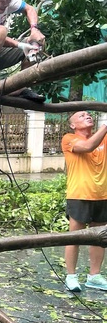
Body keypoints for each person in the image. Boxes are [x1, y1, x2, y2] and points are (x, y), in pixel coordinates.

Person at [61, 111, 107, 292]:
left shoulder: (103, 138)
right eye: (81, 116)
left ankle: (94, 276)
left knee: (100, 238)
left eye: (88, 114)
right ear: (72, 125)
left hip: (102, 195)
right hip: (79, 194)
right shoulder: (68, 139)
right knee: (75, 237)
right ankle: (71, 276)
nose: (87, 116)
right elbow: (87, 146)